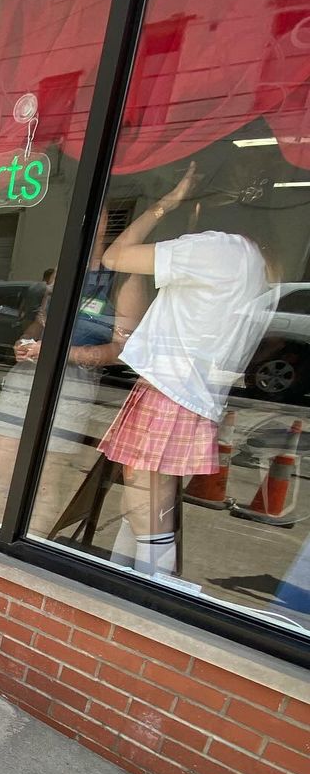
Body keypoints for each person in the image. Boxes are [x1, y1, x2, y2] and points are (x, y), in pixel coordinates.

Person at [97, 161, 280, 578]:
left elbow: (114, 255)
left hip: (170, 387)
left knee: (145, 499)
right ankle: (124, 578)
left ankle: (151, 590)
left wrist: (165, 203)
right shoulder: (255, 258)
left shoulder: (216, 248)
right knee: (148, 500)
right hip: (191, 391)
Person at [0, 218, 148, 533]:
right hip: (25, 381)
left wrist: (59, 354)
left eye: (98, 224)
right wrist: (25, 341)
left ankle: (25, 558)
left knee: (43, 485)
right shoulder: (64, 273)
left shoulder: (124, 279)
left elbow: (124, 350)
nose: (88, 230)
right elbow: (40, 324)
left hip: (71, 391)